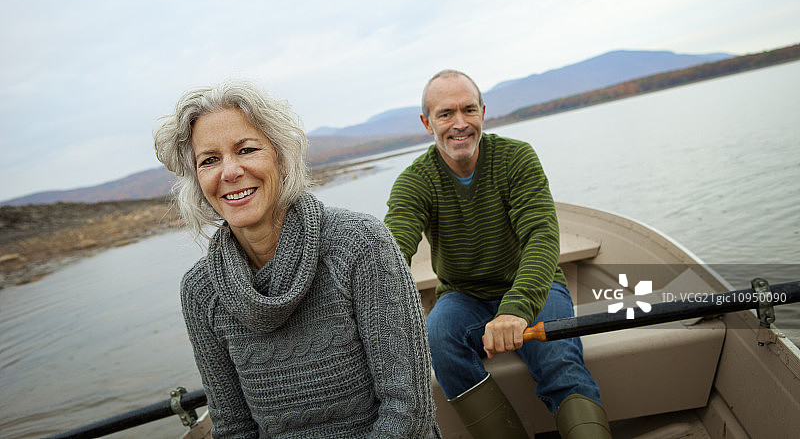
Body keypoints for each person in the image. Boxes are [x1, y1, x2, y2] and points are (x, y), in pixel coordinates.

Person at [153, 80, 440, 438]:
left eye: (246, 150)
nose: (229, 172)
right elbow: (233, 428)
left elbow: (408, 408)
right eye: (209, 160)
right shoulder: (201, 291)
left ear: (281, 157)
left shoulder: (359, 244)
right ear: (197, 179)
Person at [384, 70, 611, 439]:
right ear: (427, 123)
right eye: (445, 114)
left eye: (468, 110)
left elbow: (541, 237)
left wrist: (515, 309)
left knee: (562, 369)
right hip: (464, 296)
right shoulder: (415, 181)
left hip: (533, 287)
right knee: (438, 334)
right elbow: (392, 251)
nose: (460, 124)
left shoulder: (515, 158)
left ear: (483, 113)